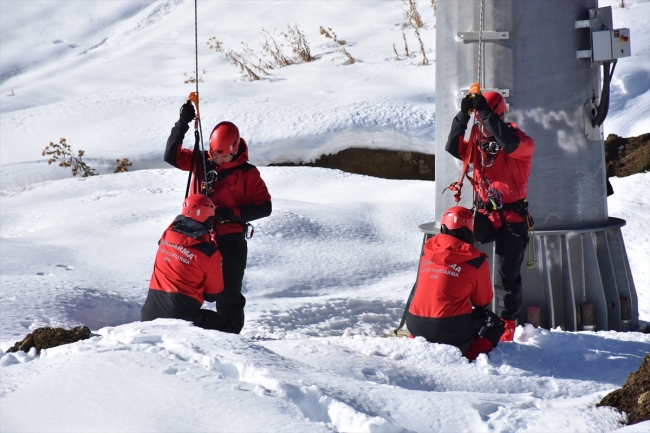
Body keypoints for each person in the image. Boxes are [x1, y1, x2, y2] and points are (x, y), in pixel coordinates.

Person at [164, 102, 272, 334]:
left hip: (230, 240)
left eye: (223, 157)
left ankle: (230, 337)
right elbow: (171, 156)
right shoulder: (202, 162)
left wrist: (233, 214)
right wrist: (182, 123)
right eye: (214, 154)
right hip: (197, 237)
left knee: (227, 294)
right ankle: (187, 331)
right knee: (188, 287)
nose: (217, 160)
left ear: (235, 150)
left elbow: (264, 206)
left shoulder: (247, 174)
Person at [445, 91, 535, 342]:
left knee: (507, 276)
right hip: (484, 215)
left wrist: (486, 114)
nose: (482, 126)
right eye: (480, 120)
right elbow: (453, 146)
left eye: (486, 119)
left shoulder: (521, 141)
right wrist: (463, 116)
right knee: (459, 260)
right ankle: (460, 314)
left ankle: (507, 326)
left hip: (512, 219)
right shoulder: (478, 144)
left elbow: (510, 144)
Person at [406, 206, 504, 361]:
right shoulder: (475, 261)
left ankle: (418, 344)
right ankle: (470, 359)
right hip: (447, 328)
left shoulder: (427, 252)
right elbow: (482, 302)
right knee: (494, 324)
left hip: (414, 324)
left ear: (443, 227)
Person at [141, 194, 233, 332]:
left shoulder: (166, 235)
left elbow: (177, 226)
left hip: (148, 316)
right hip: (181, 319)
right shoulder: (209, 254)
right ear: (208, 218)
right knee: (225, 326)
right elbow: (212, 295)